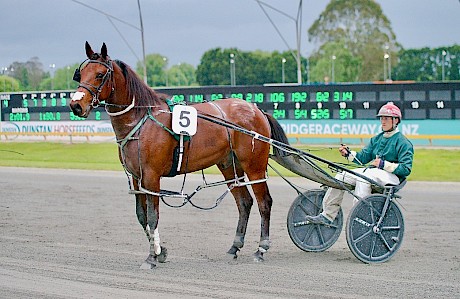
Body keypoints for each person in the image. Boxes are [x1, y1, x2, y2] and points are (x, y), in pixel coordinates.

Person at [305, 102, 414, 225]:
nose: (383, 121)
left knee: (363, 178)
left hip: (392, 178)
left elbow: (406, 169)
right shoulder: (376, 139)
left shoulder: (404, 143)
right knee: (342, 175)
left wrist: (383, 164)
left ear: (396, 121)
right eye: (382, 118)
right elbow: (362, 158)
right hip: (374, 173)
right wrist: (348, 153)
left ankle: (359, 217)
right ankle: (328, 215)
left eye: (386, 119)